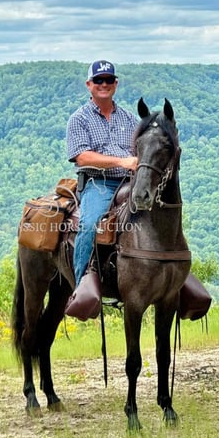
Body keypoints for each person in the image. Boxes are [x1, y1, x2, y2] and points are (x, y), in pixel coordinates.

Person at [65, 60, 138, 317]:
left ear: (116, 84)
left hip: (131, 183)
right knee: (88, 225)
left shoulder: (130, 118)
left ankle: (173, 279)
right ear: (89, 85)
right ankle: (83, 290)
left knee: (161, 216)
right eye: (99, 80)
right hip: (99, 184)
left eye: (109, 80)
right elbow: (81, 157)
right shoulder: (79, 118)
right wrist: (121, 161)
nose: (104, 84)